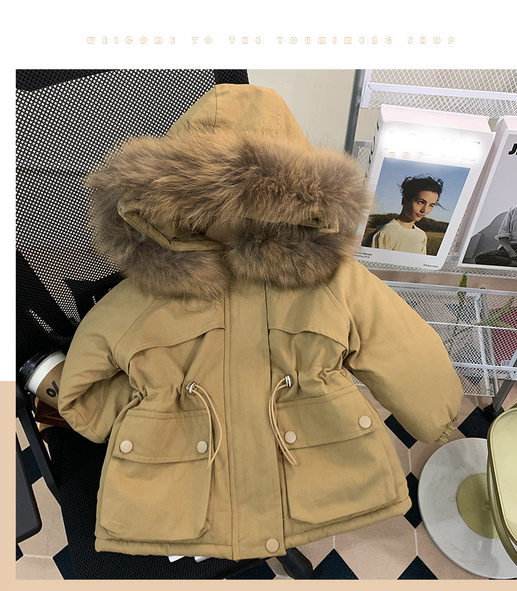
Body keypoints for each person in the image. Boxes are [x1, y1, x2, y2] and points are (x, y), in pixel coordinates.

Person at [57, 83, 463, 561]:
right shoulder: (142, 296)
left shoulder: (331, 280)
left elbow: (83, 399)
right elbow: (404, 350)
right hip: (290, 482)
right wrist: (158, 405)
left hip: (212, 488)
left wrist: (148, 409)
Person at [371, 175, 443, 254]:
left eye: (431, 205)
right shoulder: (385, 233)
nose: (424, 210)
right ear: (405, 200)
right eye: (421, 202)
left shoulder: (421, 236)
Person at [474, 196, 517, 267]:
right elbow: (503, 235)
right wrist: (511, 253)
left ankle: (515, 264)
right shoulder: (513, 210)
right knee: (481, 257)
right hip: (511, 248)